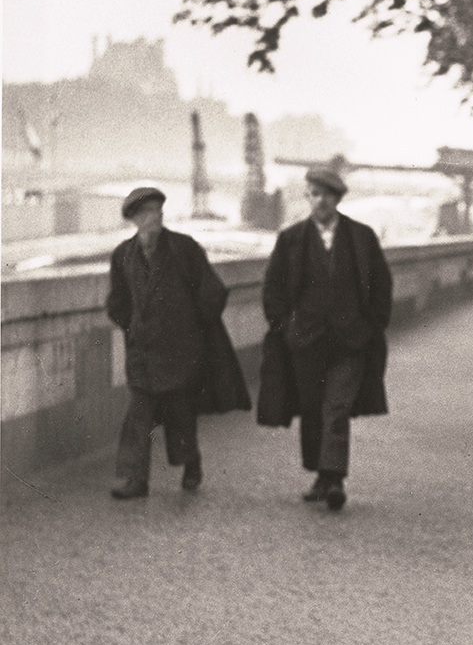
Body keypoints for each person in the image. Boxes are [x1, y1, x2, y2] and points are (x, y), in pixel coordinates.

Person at [258, 167, 393, 510]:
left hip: (350, 342)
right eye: (314, 195)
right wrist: (286, 328)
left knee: (337, 407)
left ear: (337, 199)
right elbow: (272, 289)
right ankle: (321, 474)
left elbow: (381, 285)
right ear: (308, 198)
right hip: (306, 341)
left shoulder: (362, 238)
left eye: (327, 195)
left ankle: (334, 479)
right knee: (312, 408)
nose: (321, 201)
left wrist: (370, 328)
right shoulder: (291, 240)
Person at [107, 186, 250, 499]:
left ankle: (191, 463)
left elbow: (214, 292)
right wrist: (132, 326)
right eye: (146, 213)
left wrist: (192, 328)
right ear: (133, 219)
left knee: (180, 412)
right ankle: (135, 479)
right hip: (142, 353)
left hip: (180, 352)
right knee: (139, 414)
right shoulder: (123, 256)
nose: (154, 218)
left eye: (157, 211)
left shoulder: (184, 249)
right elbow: (116, 302)